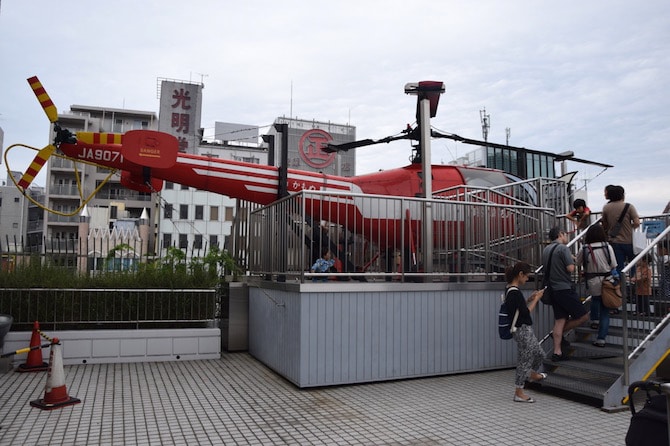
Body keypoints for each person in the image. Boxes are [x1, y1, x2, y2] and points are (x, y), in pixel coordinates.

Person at [543, 226, 589, 361]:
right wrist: (572, 261)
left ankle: (557, 352)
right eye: (565, 234)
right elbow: (570, 268)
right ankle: (557, 333)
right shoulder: (563, 249)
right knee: (583, 316)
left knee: (560, 320)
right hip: (564, 289)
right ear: (560, 234)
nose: (567, 236)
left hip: (552, 290)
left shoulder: (546, 249)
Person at [504, 262, 547, 403]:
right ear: (520, 274)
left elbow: (518, 307)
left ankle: (531, 374)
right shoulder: (514, 292)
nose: (527, 279)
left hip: (524, 329)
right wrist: (536, 299)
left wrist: (529, 299)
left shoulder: (510, 289)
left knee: (540, 353)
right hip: (521, 330)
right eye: (526, 276)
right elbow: (525, 312)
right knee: (524, 360)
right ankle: (519, 392)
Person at [576, 224, 617, 347]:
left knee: (595, 299)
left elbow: (578, 262)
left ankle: (594, 320)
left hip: (592, 281)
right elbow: (613, 265)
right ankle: (601, 339)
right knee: (605, 310)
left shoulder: (584, 248)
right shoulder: (607, 247)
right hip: (607, 280)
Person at [601, 185, 640, 279]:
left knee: (619, 267)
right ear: (621, 195)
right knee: (634, 265)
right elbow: (637, 223)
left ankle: (620, 289)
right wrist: (629, 227)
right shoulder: (629, 206)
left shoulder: (606, 208)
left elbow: (604, 225)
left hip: (614, 242)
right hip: (629, 241)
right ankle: (633, 286)